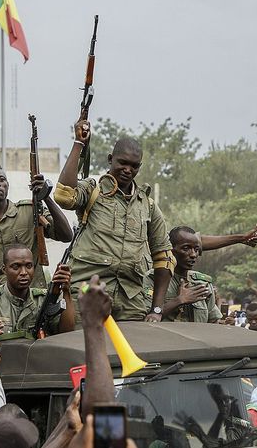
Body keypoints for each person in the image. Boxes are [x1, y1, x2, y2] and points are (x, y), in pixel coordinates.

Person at [54, 128, 176, 323]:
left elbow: (164, 257)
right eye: (123, 163)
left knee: (129, 352)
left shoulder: (148, 205)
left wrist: (157, 309)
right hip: (86, 290)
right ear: (111, 159)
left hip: (131, 302)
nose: (128, 170)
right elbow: (64, 196)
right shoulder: (93, 190)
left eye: (134, 166)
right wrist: (79, 143)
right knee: (83, 349)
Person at [0, 165, 73, 288]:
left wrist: (45, 196)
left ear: (7, 185)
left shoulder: (30, 211)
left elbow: (66, 235)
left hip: (32, 295)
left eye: (1, 179)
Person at [0, 244, 75, 338]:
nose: (23, 272)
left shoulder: (42, 299)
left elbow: (66, 332)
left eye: (28, 266)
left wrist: (66, 292)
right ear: (4, 269)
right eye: (16, 267)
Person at [143, 226, 222, 323]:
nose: (193, 255)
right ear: (170, 249)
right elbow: (145, 319)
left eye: (196, 249)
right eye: (186, 248)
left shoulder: (202, 283)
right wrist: (179, 300)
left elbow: (213, 322)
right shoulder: (151, 280)